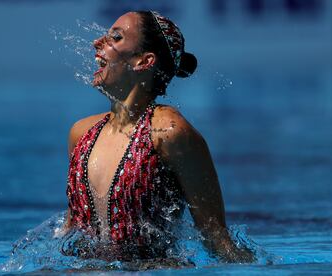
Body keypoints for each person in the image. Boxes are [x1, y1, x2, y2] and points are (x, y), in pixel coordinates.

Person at [58, 10, 255, 265]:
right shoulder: (81, 134)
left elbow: (217, 240)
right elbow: (69, 233)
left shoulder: (169, 133)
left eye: (115, 38)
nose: (98, 43)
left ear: (143, 61)